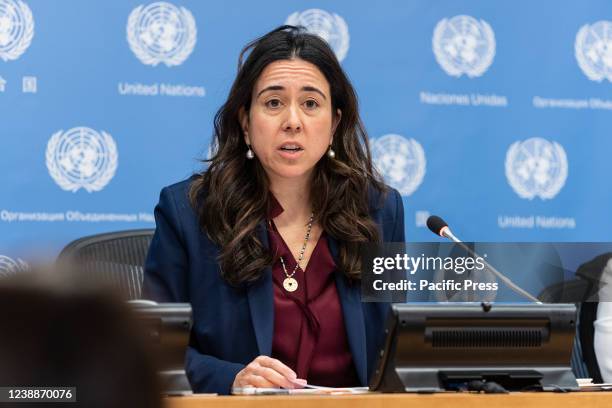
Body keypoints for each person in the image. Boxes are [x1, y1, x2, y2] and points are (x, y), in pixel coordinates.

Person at [143, 25, 405, 395]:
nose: (293, 121)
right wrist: (230, 379)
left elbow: (393, 345)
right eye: (273, 103)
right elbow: (151, 348)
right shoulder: (189, 213)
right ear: (246, 123)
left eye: (311, 104)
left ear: (334, 124)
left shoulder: (378, 211)